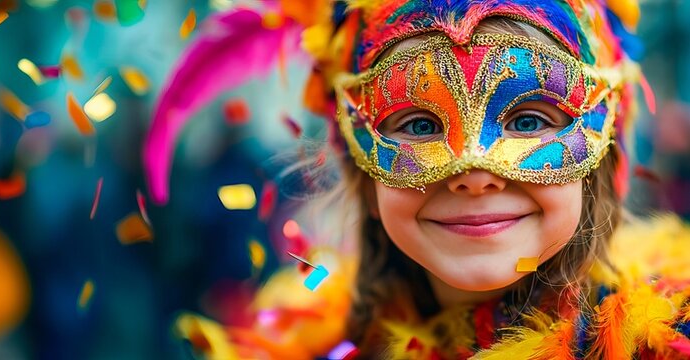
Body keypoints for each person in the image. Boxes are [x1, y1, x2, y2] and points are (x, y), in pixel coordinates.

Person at [146, 0, 690, 358]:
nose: (473, 173)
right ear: (359, 160)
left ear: (604, 139)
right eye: (420, 124)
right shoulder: (306, 344)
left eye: (530, 119)